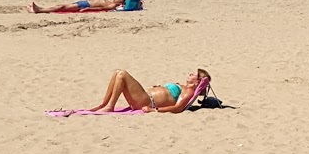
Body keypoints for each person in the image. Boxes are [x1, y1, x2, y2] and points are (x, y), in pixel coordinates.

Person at [58, 68, 212, 114]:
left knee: (122, 74)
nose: (190, 74)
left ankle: (109, 106)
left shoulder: (188, 93)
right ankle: (104, 104)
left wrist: (154, 110)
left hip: (147, 102)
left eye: (194, 75)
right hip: (145, 97)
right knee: (117, 73)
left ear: (197, 82)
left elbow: (178, 108)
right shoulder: (183, 87)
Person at [31, 0, 128, 14]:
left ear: (120, 2)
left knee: (62, 7)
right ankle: (41, 9)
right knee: (62, 6)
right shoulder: (112, 3)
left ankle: (40, 10)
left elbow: (101, 8)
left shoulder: (112, 5)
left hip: (85, 5)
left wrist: (88, 9)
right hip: (84, 3)